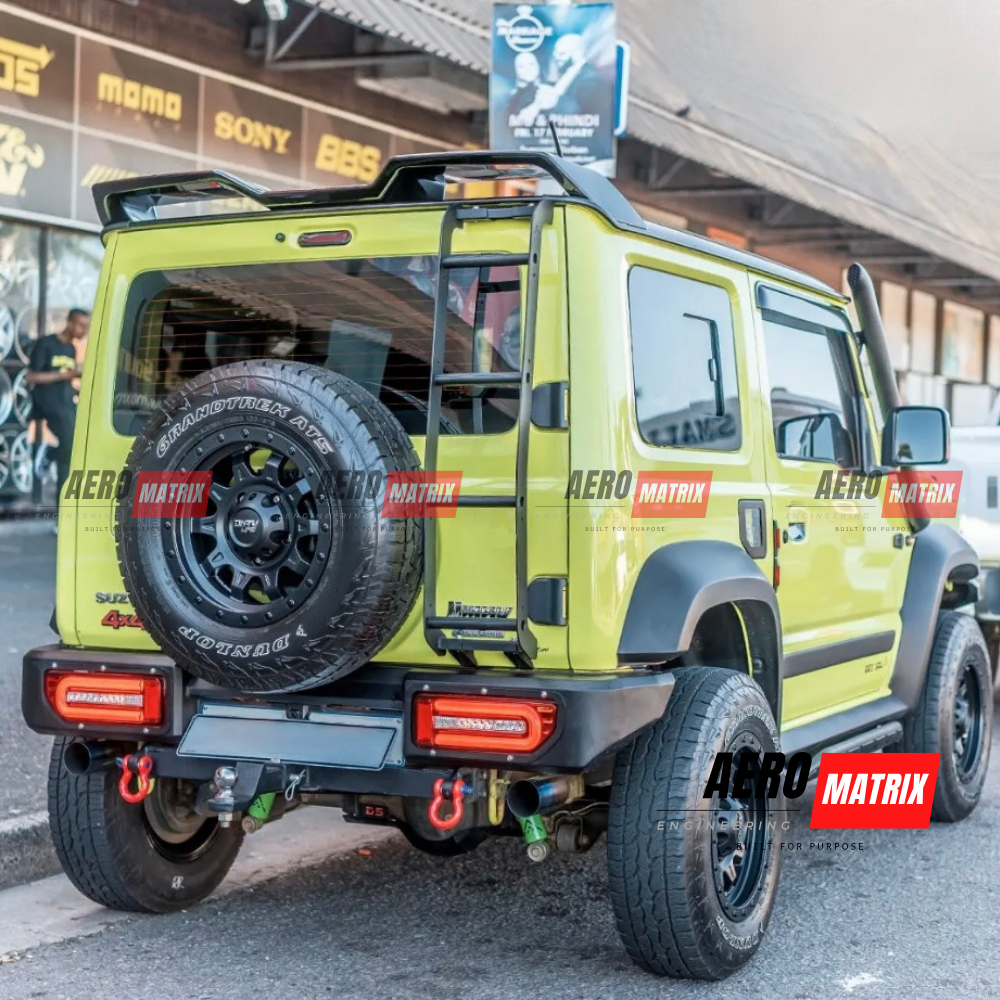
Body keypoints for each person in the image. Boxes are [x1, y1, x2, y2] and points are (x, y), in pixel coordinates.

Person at [25, 308, 90, 507]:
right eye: (81, 325)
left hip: (66, 403)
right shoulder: (46, 344)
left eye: (86, 327)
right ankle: (50, 455)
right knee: (69, 446)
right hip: (48, 403)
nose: (83, 331)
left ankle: (51, 455)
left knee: (77, 445)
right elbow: (31, 377)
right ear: (70, 322)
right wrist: (65, 376)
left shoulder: (71, 349)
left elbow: (66, 381)